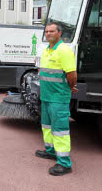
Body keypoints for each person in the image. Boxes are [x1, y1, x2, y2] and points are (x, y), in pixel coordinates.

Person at [35, 22, 77, 176]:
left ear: (60, 33)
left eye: (52, 31)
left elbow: (71, 74)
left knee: (60, 131)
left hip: (58, 98)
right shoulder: (46, 50)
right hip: (46, 96)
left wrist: (70, 87)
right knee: (46, 126)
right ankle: (51, 151)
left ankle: (64, 164)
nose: (48, 34)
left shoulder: (64, 50)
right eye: (46, 31)